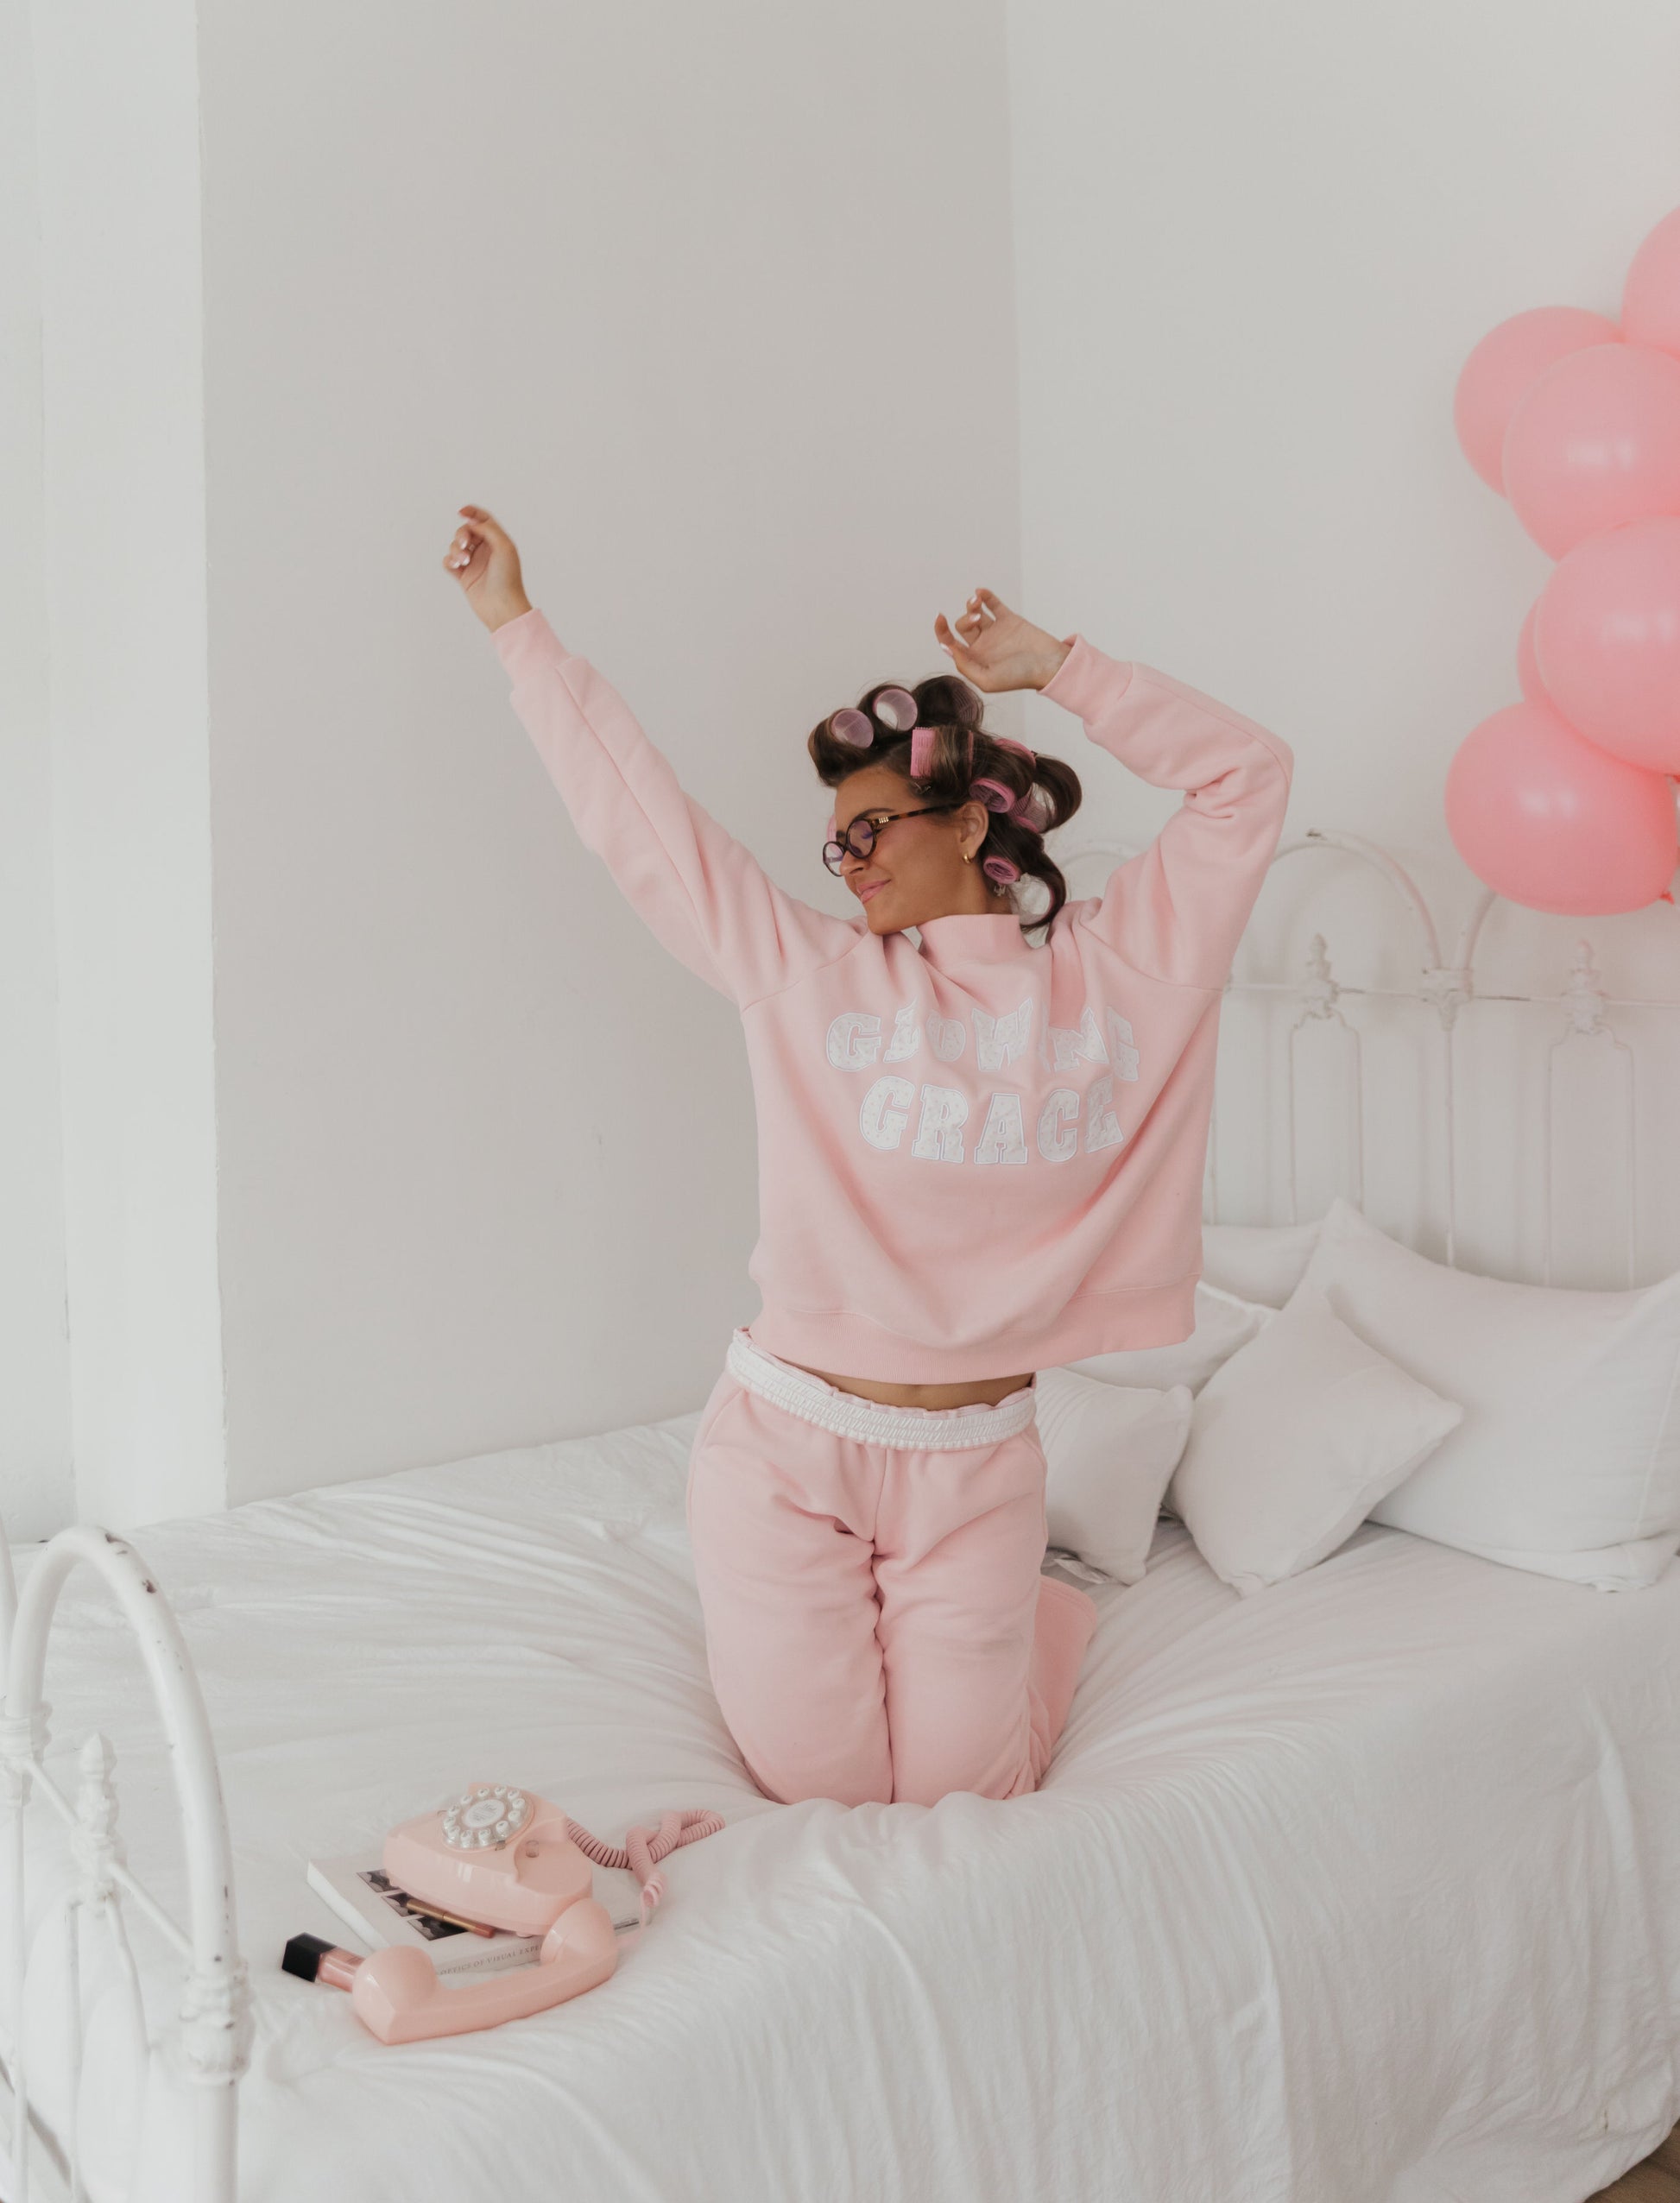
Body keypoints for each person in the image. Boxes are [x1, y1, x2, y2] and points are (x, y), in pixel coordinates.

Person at [443, 504, 1293, 1808]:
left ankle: (1046, 1622)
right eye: (838, 841)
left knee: (971, 1794)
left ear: (968, 827)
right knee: (820, 1790)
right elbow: (646, 826)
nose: (850, 863)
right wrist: (518, 628)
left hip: (981, 1466)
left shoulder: (1126, 976)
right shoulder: (815, 976)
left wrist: (1062, 669)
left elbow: (1248, 776)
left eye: (875, 827)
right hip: (791, 1453)